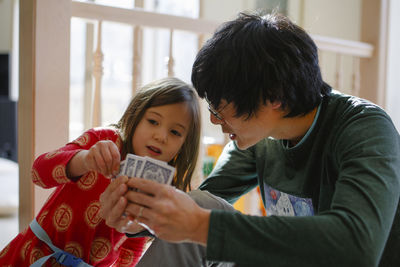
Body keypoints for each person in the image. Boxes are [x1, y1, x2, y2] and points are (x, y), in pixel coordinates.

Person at [99, 12, 400, 267]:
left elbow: (358, 246)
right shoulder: (260, 138)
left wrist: (199, 225)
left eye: (220, 108)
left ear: (274, 97)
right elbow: (202, 205)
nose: (215, 121)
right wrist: (141, 221)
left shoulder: (365, 128)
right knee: (203, 203)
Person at [0, 77, 201, 266]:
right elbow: (38, 173)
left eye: (175, 132)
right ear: (136, 116)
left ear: (184, 145)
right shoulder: (104, 142)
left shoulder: (162, 189)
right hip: (32, 255)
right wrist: (84, 160)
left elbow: (133, 244)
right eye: (153, 121)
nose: (161, 136)